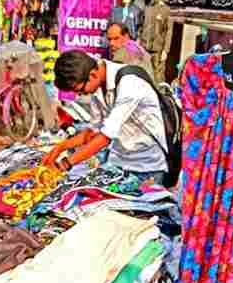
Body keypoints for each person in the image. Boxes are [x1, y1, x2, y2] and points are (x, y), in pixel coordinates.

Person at [42, 50, 168, 183]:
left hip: (147, 167)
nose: (80, 95)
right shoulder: (98, 88)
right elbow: (93, 132)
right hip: (118, 163)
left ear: (93, 75)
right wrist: (60, 147)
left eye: (80, 90)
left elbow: (104, 137)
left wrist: (65, 164)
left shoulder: (130, 84)